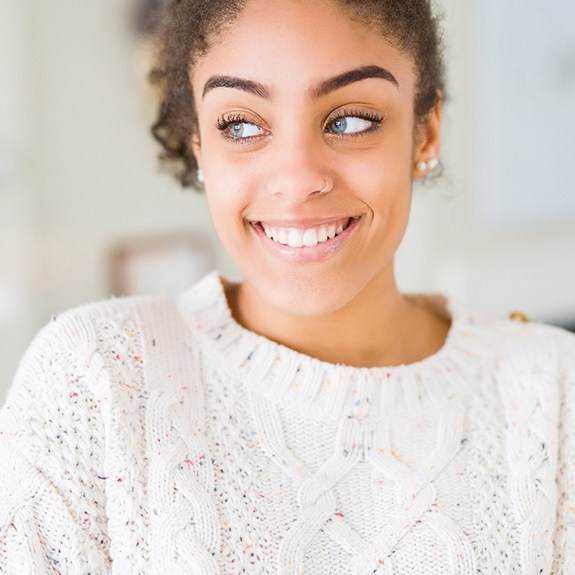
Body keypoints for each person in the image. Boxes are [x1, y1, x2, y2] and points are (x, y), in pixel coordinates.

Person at [1, 0, 574, 572]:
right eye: (242, 126)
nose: (297, 180)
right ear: (201, 145)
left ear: (425, 134)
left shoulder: (553, 394)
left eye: (350, 120)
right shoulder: (96, 380)